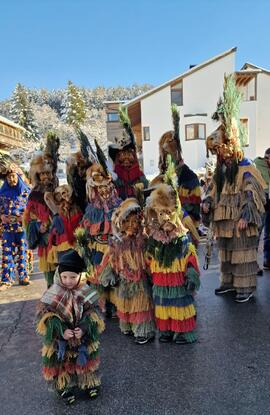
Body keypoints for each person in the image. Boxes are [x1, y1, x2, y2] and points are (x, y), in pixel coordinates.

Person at [203, 74, 266, 303]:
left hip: (240, 222)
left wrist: (246, 215)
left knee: (243, 255)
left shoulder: (245, 168)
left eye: (222, 151)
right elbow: (212, 191)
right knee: (227, 254)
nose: (220, 156)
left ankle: (245, 287)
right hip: (224, 223)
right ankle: (228, 283)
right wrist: (208, 203)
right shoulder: (220, 172)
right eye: (217, 152)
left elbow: (252, 192)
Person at [36, 249, 104, 405]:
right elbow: (45, 316)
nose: (68, 281)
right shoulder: (52, 293)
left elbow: (94, 313)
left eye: (73, 277)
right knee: (62, 363)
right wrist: (60, 329)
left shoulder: (86, 291)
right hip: (61, 339)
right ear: (59, 275)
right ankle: (64, 386)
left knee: (86, 362)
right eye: (64, 277)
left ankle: (89, 383)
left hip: (82, 338)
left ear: (80, 276)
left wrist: (85, 327)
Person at [145, 158, 200, 344]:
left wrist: (191, 273)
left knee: (179, 302)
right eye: (161, 214)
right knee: (163, 303)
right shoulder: (154, 238)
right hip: (161, 280)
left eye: (168, 213)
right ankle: (167, 329)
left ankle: (182, 331)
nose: (165, 218)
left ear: (174, 213)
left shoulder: (182, 238)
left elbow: (190, 256)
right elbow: (150, 258)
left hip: (177, 280)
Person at [110, 198, 156, 344]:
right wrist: (110, 273)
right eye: (127, 222)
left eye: (135, 222)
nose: (132, 225)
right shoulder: (117, 242)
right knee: (125, 302)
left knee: (140, 303)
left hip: (139, 278)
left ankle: (143, 330)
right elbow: (111, 260)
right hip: (124, 278)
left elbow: (149, 258)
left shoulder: (143, 239)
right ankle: (128, 324)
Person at [23, 132, 60, 287]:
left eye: (48, 173)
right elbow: (27, 219)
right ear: (37, 175)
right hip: (46, 240)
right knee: (50, 277)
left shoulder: (60, 190)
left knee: (65, 273)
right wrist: (38, 226)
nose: (46, 177)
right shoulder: (34, 195)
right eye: (42, 174)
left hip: (61, 237)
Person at [158, 105, 201, 230]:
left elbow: (193, 213)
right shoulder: (159, 179)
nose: (167, 156)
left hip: (184, 230)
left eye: (171, 151)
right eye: (164, 153)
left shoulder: (190, 177)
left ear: (177, 151)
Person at [0, 160, 31, 287]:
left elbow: (33, 210)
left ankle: (23, 277)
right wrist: (1, 216)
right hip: (7, 228)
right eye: (9, 177)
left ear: (18, 176)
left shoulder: (26, 192)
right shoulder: (1, 194)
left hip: (21, 227)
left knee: (22, 252)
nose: (11, 179)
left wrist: (24, 216)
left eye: (13, 176)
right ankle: (6, 279)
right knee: (7, 253)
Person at [108, 106, 148, 200]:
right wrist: (116, 181)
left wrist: (143, 182)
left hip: (137, 198)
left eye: (128, 156)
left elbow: (145, 184)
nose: (126, 159)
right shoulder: (117, 171)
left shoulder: (137, 170)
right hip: (121, 199)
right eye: (122, 156)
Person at [44, 184, 83, 265]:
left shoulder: (77, 212)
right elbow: (47, 196)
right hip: (62, 247)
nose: (65, 206)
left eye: (67, 203)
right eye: (62, 203)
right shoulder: (57, 216)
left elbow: (81, 227)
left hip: (76, 245)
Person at [254, 148, 270, 270]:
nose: (267, 160)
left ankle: (267, 259)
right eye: (266, 158)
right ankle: (252, 262)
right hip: (261, 203)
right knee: (257, 233)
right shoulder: (258, 165)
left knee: (268, 234)